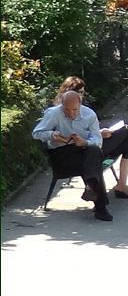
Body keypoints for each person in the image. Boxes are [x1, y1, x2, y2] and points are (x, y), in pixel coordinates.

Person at [53, 77, 128, 198]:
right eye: (79, 92)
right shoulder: (62, 111)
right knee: (126, 131)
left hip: (91, 144)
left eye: (83, 92)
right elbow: (72, 135)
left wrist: (100, 131)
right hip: (83, 151)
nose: (82, 95)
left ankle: (121, 185)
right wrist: (99, 134)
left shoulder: (81, 106)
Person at [32, 91, 113, 221]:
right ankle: (99, 204)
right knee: (93, 161)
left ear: (80, 105)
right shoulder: (54, 113)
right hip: (61, 154)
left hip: (82, 150)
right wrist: (52, 135)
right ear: (61, 105)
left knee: (93, 151)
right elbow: (36, 133)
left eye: (75, 110)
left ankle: (96, 197)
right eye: (67, 110)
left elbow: (98, 141)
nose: (71, 113)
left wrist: (84, 142)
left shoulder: (89, 114)